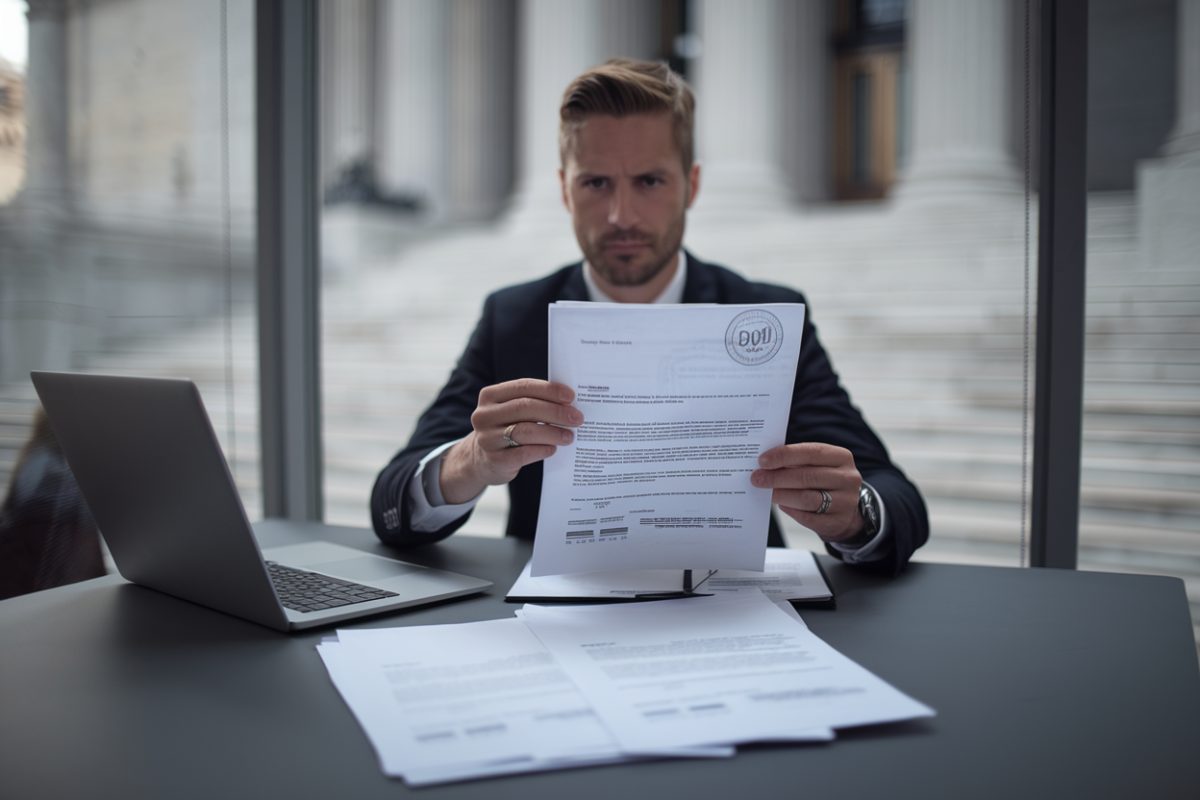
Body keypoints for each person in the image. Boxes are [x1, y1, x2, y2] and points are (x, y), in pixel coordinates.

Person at [371, 58, 928, 575]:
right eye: (596, 183)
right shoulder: (514, 318)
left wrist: (853, 515)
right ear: (564, 191)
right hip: (564, 611)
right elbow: (391, 504)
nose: (622, 215)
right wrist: (469, 461)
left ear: (693, 185)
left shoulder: (764, 317)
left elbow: (896, 499)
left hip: (737, 610)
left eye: (650, 181)